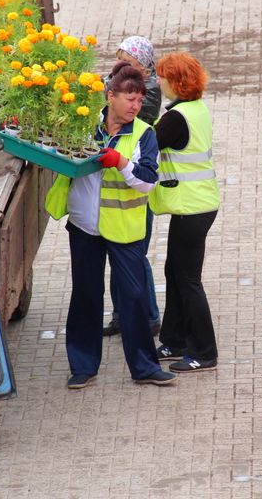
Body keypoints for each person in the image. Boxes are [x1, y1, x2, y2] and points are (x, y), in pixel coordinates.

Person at [45, 62, 175, 388]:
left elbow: (147, 181)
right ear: (110, 96)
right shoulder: (84, 124)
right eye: (129, 99)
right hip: (84, 227)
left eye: (139, 100)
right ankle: (83, 366)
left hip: (124, 229)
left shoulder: (145, 134)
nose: (135, 106)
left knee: (132, 297)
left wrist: (121, 163)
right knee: (86, 295)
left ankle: (145, 367)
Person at [150, 52, 221, 373]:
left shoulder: (176, 118)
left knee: (188, 279)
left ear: (175, 81)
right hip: (198, 206)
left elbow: (146, 144)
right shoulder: (195, 109)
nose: (158, 81)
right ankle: (174, 340)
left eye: (162, 76)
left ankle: (204, 352)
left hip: (192, 208)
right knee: (174, 272)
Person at [103, 36, 162, 337]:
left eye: (128, 59)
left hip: (134, 201)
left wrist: (112, 86)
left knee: (135, 258)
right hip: (113, 208)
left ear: (142, 64)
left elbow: (135, 113)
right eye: (120, 58)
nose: (122, 63)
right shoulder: (126, 86)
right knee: (121, 261)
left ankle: (149, 317)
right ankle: (120, 315)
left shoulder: (147, 94)